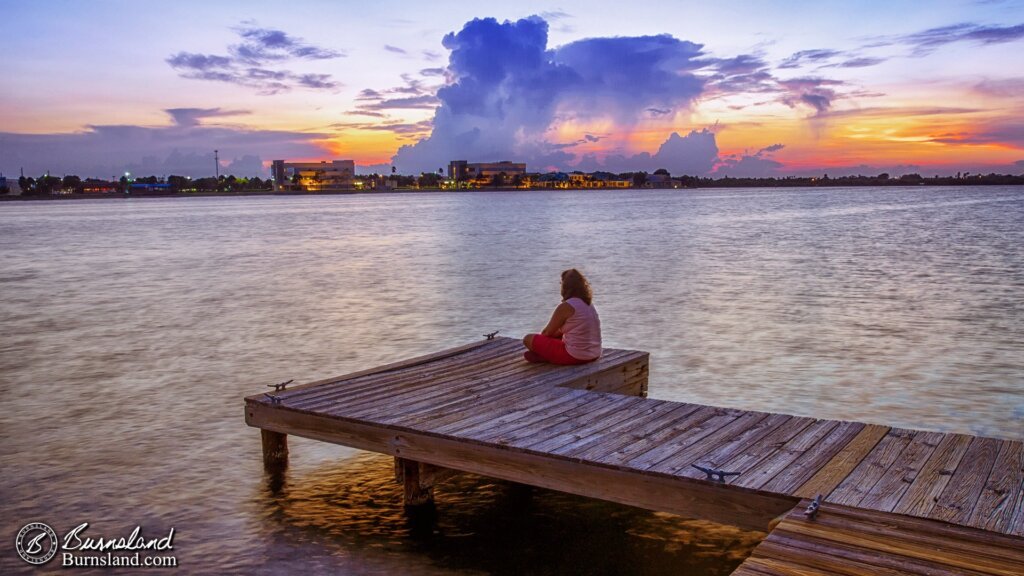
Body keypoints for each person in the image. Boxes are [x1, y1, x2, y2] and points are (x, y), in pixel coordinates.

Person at [523, 268, 602, 364]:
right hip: (595, 354)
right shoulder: (588, 304)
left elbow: (547, 332)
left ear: (565, 287)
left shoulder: (567, 306)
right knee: (559, 335)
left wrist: (540, 343)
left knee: (528, 339)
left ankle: (546, 356)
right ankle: (546, 356)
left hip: (575, 356)